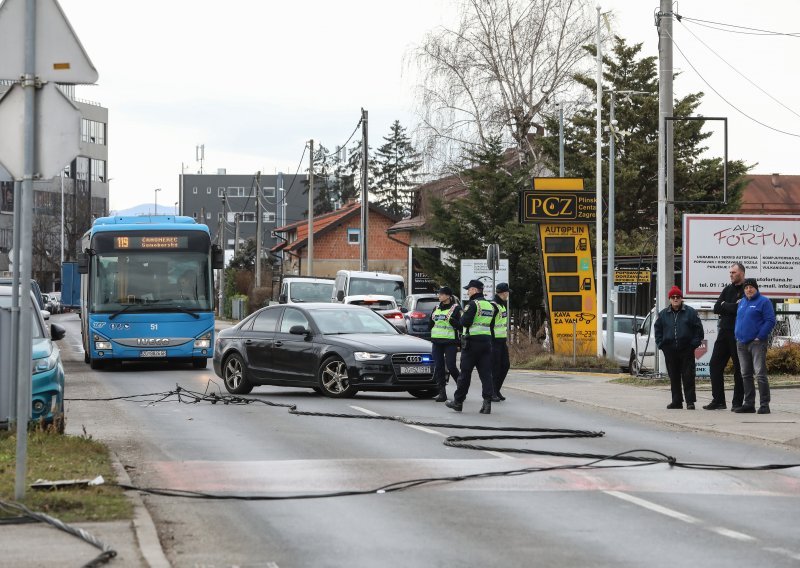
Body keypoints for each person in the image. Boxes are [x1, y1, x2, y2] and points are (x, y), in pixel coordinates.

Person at [446, 279, 495, 414]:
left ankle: (458, 402)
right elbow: (490, 325)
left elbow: (465, 322)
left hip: (472, 343)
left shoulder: (473, 304)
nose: (467, 292)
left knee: (465, 374)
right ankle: (487, 403)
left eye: (469, 289)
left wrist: (461, 318)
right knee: (486, 374)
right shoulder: (490, 306)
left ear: (474, 290)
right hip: (486, 343)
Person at [704, 262, 746, 411]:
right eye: (730, 273)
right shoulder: (727, 289)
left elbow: (740, 309)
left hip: (738, 333)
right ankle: (719, 400)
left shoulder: (747, 289)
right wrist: (731, 305)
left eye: (733, 272)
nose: (731, 275)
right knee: (715, 365)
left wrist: (726, 305)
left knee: (739, 368)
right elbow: (716, 308)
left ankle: (737, 402)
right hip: (724, 332)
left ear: (741, 273)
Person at [654, 286, 704, 410]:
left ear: (681, 298)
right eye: (673, 297)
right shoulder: (663, 314)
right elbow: (658, 330)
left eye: (678, 297)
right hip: (670, 350)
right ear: (669, 299)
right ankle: (676, 401)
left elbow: (699, 330)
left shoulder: (690, 312)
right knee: (674, 376)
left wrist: (693, 344)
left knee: (688, 376)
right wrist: (661, 344)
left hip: (686, 349)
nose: (676, 299)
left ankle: (690, 402)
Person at [734, 278, 776, 414]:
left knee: (760, 374)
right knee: (745, 374)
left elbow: (770, 320)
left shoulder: (764, 302)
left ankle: (764, 405)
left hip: (757, 343)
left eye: (751, 287)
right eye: (746, 288)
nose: (748, 290)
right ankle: (749, 404)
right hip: (741, 343)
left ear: (756, 288)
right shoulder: (742, 302)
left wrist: (760, 336)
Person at [428, 286, 462, 402]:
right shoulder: (436, 308)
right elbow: (430, 324)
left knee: (451, 366)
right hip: (437, 342)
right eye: (439, 294)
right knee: (439, 367)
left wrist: (454, 322)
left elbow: (461, 326)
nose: (439, 296)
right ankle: (442, 393)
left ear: (448, 296)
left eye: (441, 294)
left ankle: (462, 389)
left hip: (450, 342)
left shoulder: (456, 309)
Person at [490, 282, 511, 402]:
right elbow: (490, 325)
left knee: (505, 365)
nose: (508, 294)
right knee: (495, 368)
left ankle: (497, 389)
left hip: (502, 341)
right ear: (503, 293)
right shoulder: (494, 306)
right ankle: (492, 391)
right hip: (494, 341)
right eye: (507, 292)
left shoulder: (502, 305)